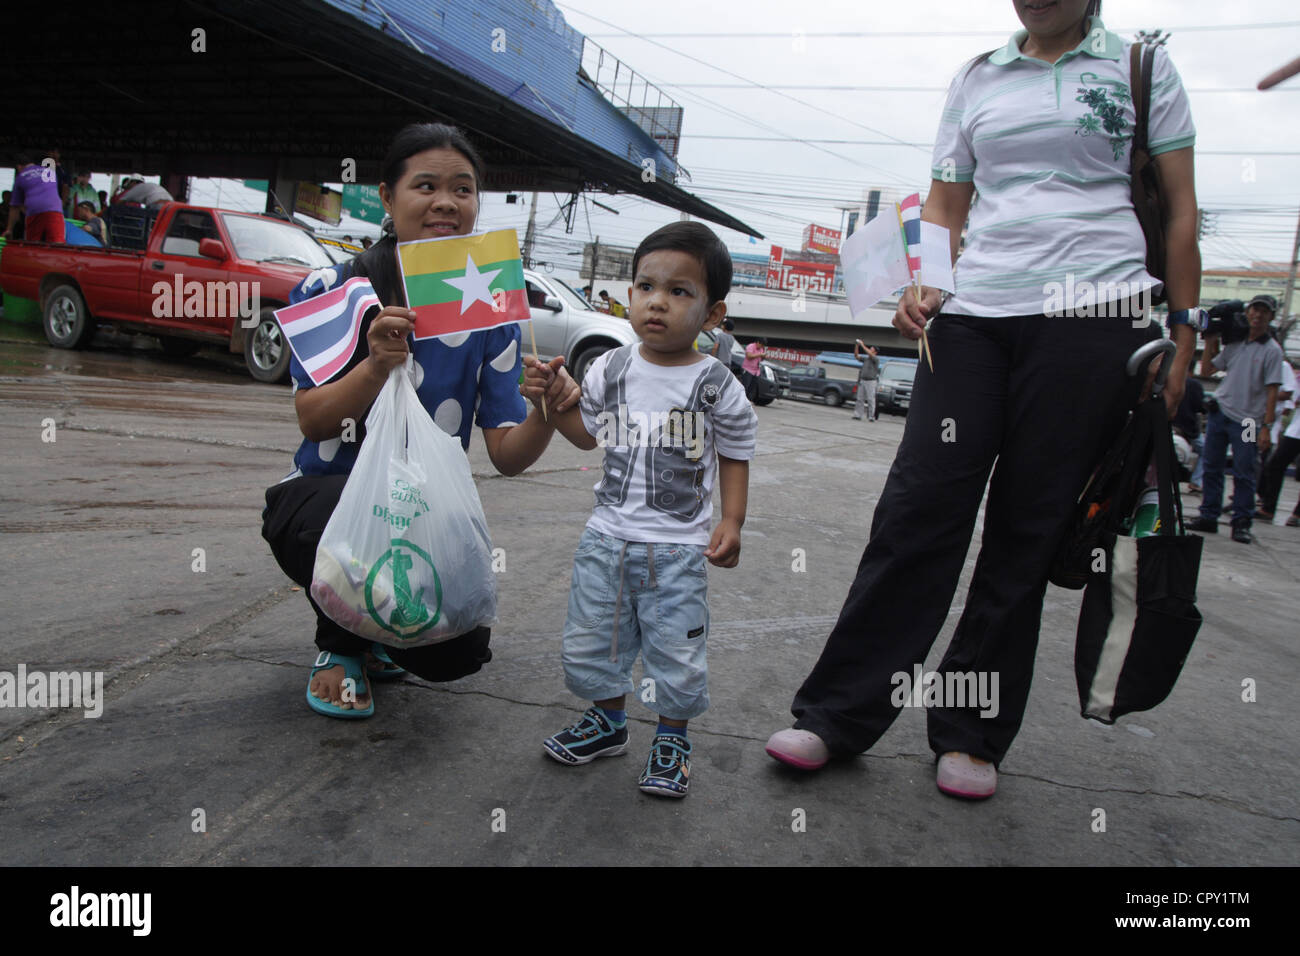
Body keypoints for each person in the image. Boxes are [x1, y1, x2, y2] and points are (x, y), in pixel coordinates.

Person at [765, 0, 1201, 800]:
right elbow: (945, 204)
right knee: (917, 510)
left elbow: (1178, 208)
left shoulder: (1139, 67)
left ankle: (970, 731)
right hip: (972, 318)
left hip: (1093, 320)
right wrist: (926, 279)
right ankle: (837, 713)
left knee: (1027, 529)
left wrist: (1184, 328)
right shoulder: (977, 76)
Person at [260, 122, 578, 719]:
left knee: (457, 654)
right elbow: (315, 422)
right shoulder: (337, 288)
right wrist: (377, 365)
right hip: (328, 500)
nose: (445, 203)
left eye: (463, 189)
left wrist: (544, 410)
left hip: (423, 509)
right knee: (341, 528)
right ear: (386, 196)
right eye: (425, 185)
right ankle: (341, 648)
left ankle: (378, 635)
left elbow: (507, 455)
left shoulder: (489, 311)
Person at [529, 221, 758, 798]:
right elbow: (587, 437)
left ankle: (673, 737)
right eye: (645, 286)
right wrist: (553, 401)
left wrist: (731, 521)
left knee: (674, 647)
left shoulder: (717, 383)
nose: (657, 301)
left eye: (679, 291)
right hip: (606, 538)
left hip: (677, 551)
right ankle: (607, 721)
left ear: (712, 314)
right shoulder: (611, 368)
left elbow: (734, 455)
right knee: (594, 638)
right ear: (629, 294)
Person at [1188, 295, 1285, 543]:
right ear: (1248, 312)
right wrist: (1211, 340)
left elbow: (1272, 391)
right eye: (1254, 309)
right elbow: (1209, 369)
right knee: (1211, 467)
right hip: (1221, 413)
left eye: (1264, 311)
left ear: (1271, 317)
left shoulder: (1272, 350)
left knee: (1244, 471)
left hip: (1250, 422)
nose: (1258, 315)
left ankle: (1241, 522)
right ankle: (1209, 515)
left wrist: (1266, 427)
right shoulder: (1235, 342)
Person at [1257, 361, 1300, 526]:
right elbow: (1292, 399)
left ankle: (1297, 514)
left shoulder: (1282, 365)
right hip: (1293, 429)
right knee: (1272, 465)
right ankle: (1266, 506)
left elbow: (1288, 394)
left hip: (1268, 426)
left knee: (1264, 460)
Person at [3, 154, 66, 243]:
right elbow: (49, 192)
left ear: (19, 166)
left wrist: (9, 229)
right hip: (55, 210)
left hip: (35, 212)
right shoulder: (49, 172)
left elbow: (14, 207)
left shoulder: (20, 177)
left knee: (33, 244)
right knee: (57, 244)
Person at [852, 339, 881, 421]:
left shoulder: (876, 359)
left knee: (871, 399)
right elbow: (856, 356)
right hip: (863, 380)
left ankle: (871, 416)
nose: (869, 350)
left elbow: (870, 354)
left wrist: (862, 344)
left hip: (871, 381)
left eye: (871, 349)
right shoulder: (866, 359)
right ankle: (858, 415)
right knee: (860, 398)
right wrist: (857, 346)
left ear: (875, 352)